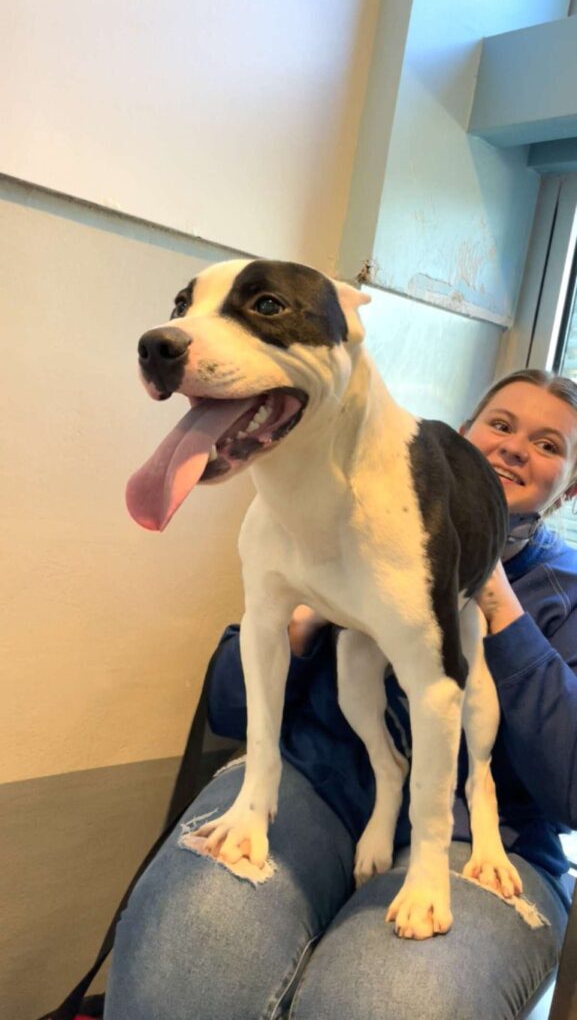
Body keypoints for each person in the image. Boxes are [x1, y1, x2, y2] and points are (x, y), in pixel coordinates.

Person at [104, 369, 577, 1020]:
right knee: (188, 955)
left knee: (385, 1000)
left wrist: (494, 595)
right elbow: (228, 705)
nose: (515, 447)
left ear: (568, 487)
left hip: (489, 844)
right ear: (462, 433)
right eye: (499, 424)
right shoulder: (353, 521)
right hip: (316, 790)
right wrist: (304, 619)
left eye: (548, 444)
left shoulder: (564, 590)